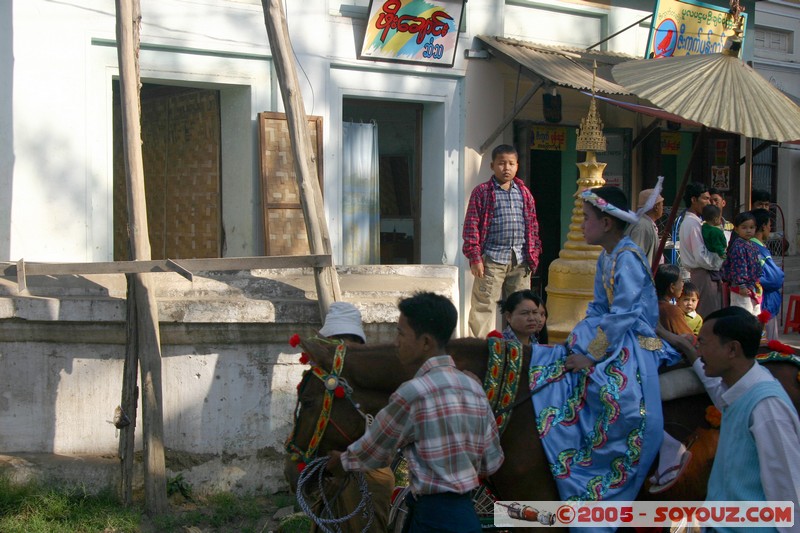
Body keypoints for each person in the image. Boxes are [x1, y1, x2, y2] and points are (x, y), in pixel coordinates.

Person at [528, 186, 683, 505]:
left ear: (607, 223)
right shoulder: (607, 256)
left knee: (611, 390)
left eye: (586, 218)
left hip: (635, 338)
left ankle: (662, 446)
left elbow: (625, 312)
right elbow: (600, 306)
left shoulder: (627, 257)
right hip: (610, 329)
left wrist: (592, 354)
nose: (582, 225)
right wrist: (583, 341)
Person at [326, 292, 503, 533]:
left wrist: (341, 461)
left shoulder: (413, 392)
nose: (396, 341)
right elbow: (491, 461)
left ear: (426, 342)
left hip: (432, 518)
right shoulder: (474, 388)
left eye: (400, 333)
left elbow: (373, 451)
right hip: (466, 515)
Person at [687, 307, 800, 532]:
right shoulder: (738, 389)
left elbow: (788, 492)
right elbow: (718, 393)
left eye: (703, 344)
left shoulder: (766, 408)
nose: (699, 352)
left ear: (732, 349)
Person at [313, 302, 393, 533]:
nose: (341, 347)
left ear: (358, 345)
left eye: (347, 341)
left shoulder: (375, 382)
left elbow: (385, 448)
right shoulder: (319, 383)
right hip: (327, 474)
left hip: (368, 475)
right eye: (335, 340)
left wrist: (346, 463)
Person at [462, 144, 541, 338]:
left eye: (511, 163)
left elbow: (533, 226)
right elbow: (471, 225)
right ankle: (481, 351)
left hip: (521, 260)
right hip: (492, 259)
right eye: (501, 163)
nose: (506, 168)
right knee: (484, 306)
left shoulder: (524, 193)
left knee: (522, 307)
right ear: (492, 166)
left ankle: (521, 347)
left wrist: (534, 254)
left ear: (517, 166)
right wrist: (475, 258)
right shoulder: (482, 192)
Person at [678, 182, 724, 318]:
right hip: (704, 274)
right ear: (693, 200)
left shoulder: (698, 222)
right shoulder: (693, 224)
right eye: (705, 199)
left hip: (704, 274)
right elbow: (701, 256)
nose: (709, 202)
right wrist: (719, 262)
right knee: (707, 316)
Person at [751, 208, 784, 341]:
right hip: (763, 305)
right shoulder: (756, 249)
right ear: (763, 227)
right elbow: (775, 278)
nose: (770, 229)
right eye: (770, 226)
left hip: (766, 304)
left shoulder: (759, 248)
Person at [721, 212, 762, 316]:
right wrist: (742, 286)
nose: (748, 230)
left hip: (752, 287)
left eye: (751, 227)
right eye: (744, 227)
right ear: (736, 229)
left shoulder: (752, 245)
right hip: (741, 289)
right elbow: (739, 268)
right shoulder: (738, 247)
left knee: (755, 316)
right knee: (743, 317)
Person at [625, 187, 664, 267]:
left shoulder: (645, 224)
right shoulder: (642, 226)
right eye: (661, 205)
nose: (662, 208)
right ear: (656, 207)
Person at [655, 263, 695, 337]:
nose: (683, 284)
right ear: (672, 287)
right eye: (681, 281)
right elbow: (689, 339)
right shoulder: (671, 310)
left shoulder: (650, 306)